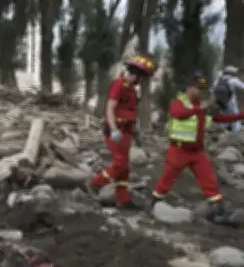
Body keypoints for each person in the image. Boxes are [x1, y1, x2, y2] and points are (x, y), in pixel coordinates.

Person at [152, 70, 244, 225]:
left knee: (209, 179)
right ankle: (154, 203)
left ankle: (220, 210)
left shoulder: (201, 106)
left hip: (197, 152)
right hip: (179, 150)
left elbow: (220, 118)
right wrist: (201, 109)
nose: (200, 92)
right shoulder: (179, 102)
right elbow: (179, 114)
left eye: (203, 89)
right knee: (167, 178)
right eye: (197, 88)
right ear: (188, 88)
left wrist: (240, 116)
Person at [87, 54, 157, 209]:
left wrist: (135, 132)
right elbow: (110, 108)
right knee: (119, 163)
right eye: (142, 76)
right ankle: (95, 183)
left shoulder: (132, 90)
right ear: (136, 73)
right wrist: (113, 129)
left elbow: (130, 111)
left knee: (124, 167)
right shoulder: (119, 84)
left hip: (127, 131)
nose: (142, 80)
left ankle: (123, 199)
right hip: (116, 130)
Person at [213, 65, 244, 134]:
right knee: (235, 117)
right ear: (231, 73)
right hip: (231, 102)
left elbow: (212, 90)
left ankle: (220, 132)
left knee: (224, 117)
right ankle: (237, 133)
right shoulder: (233, 80)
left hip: (220, 102)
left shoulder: (218, 80)